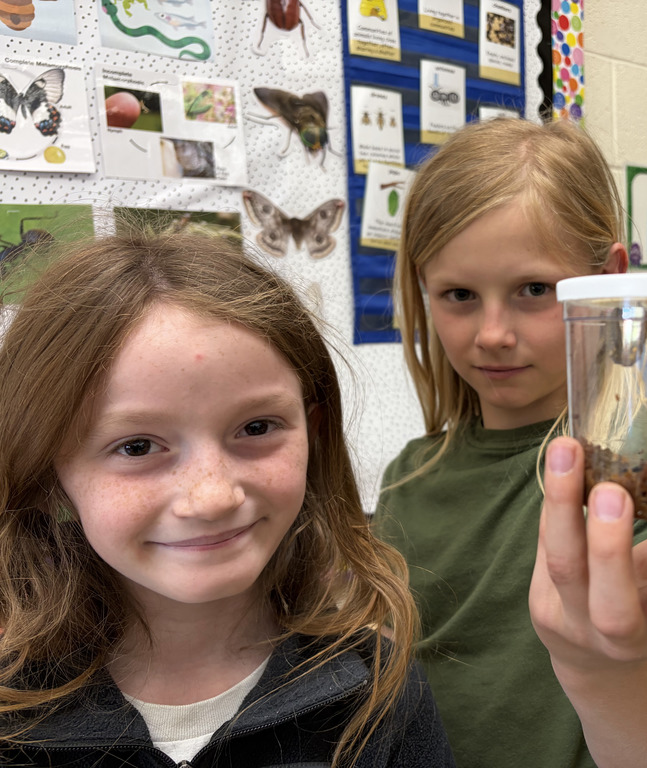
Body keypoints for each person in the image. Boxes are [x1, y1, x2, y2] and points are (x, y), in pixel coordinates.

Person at [0, 232, 455, 767]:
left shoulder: (377, 688)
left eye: (256, 427)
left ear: (313, 434)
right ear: (49, 467)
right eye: (138, 446)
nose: (213, 497)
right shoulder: (14, 706)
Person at [374, 117, 647, 768]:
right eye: (458, 295)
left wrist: (603, 668)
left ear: (610, 282)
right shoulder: (407, 479)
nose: (492, 333)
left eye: (533, 290)